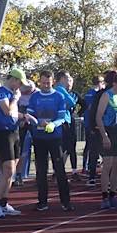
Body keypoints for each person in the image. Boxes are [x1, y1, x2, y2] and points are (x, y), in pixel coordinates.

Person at [26, 70, 73, 211]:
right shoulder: (34, 97)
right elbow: (30, 115)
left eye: (48, 82)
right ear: (40, 81)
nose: (46, 85)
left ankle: (66, 201)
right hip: (39, 138)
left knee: (59, 170)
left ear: (53, 81)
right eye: (43, 82)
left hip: (55, 138)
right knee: (41, 170)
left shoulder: (58, 96)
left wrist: (53, 125)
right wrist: (37, 123)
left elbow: (61, 117)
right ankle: (42, 201)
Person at [0, 69, 29, 218]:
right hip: (3, 133)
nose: (19, 86)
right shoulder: (1, 92)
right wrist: (16, 99)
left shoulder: (12, 94)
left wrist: (24, 116)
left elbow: (13, 113)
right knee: (7, 169)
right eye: (19, 82)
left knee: (11, 171)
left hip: (14, 132)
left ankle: (4, 203)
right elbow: (7, 110)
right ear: (13, 79)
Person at [95, 71, 117, 209]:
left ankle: (113, 195)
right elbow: (98, 117)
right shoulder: (107, 95)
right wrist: (104, 136)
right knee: (107, 165)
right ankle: (104, 196)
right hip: (108, 131)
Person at [80, 75, 105, 185]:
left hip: (89, 123)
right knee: (93, 148)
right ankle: (90, 169)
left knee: (90, 147)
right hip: (92, 123)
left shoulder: (88, 93)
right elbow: (90, 109)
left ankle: (88, 168)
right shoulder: (94, 94)